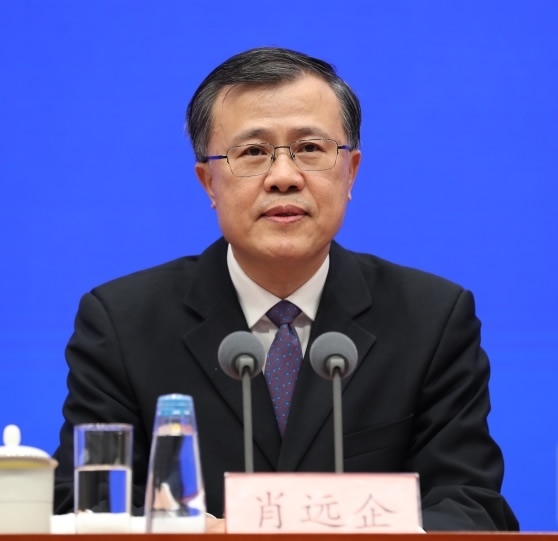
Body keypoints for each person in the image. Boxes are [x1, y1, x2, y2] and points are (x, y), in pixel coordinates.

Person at [53, 46, 519, 531]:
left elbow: (471, 508)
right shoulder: (122, 324)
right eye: (253, 152)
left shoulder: (432, 319)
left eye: (310, 149)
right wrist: (193, 532)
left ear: (351, 171)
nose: (283, 177)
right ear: (208, 182)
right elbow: (81, 505)